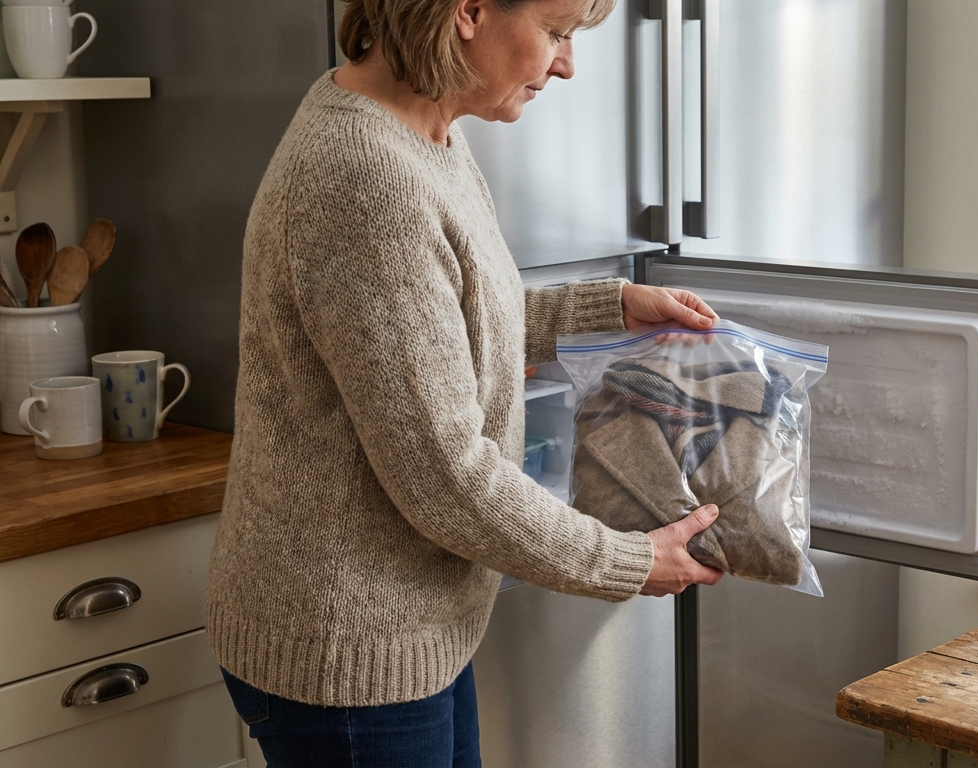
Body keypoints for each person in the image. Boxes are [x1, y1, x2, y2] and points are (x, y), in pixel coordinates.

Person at [204, 0, 723, 765]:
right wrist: (627, 561)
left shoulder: (427, 134)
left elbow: (451, 323)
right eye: (556, 32)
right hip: (352, 651)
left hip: (415, 628)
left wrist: (610, 306)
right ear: (470, 10)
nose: (566, 63)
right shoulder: (365, 176)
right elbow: (444, 471)